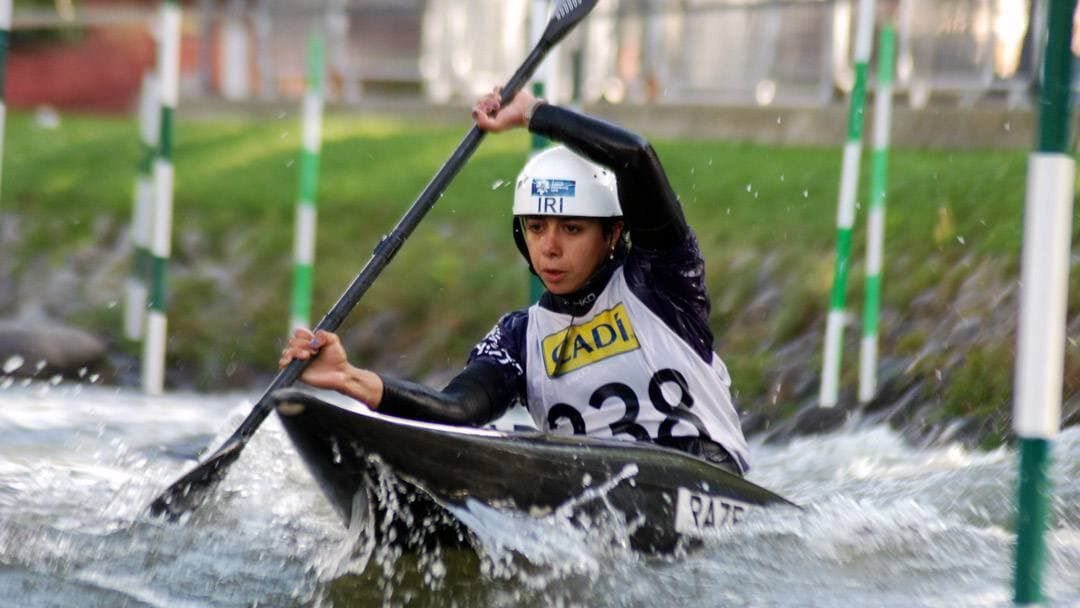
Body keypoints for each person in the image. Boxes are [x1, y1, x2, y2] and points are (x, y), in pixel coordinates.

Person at [279, 88, 751, 475]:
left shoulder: (663, 281)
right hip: (593, 491)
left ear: (613, 233)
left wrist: (534, 114)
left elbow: (637, 159)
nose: (549, 247)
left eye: (572, 229)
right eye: (536, 228)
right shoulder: (518, 336)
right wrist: (349, 378)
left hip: (706, 480)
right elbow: (458, 410)